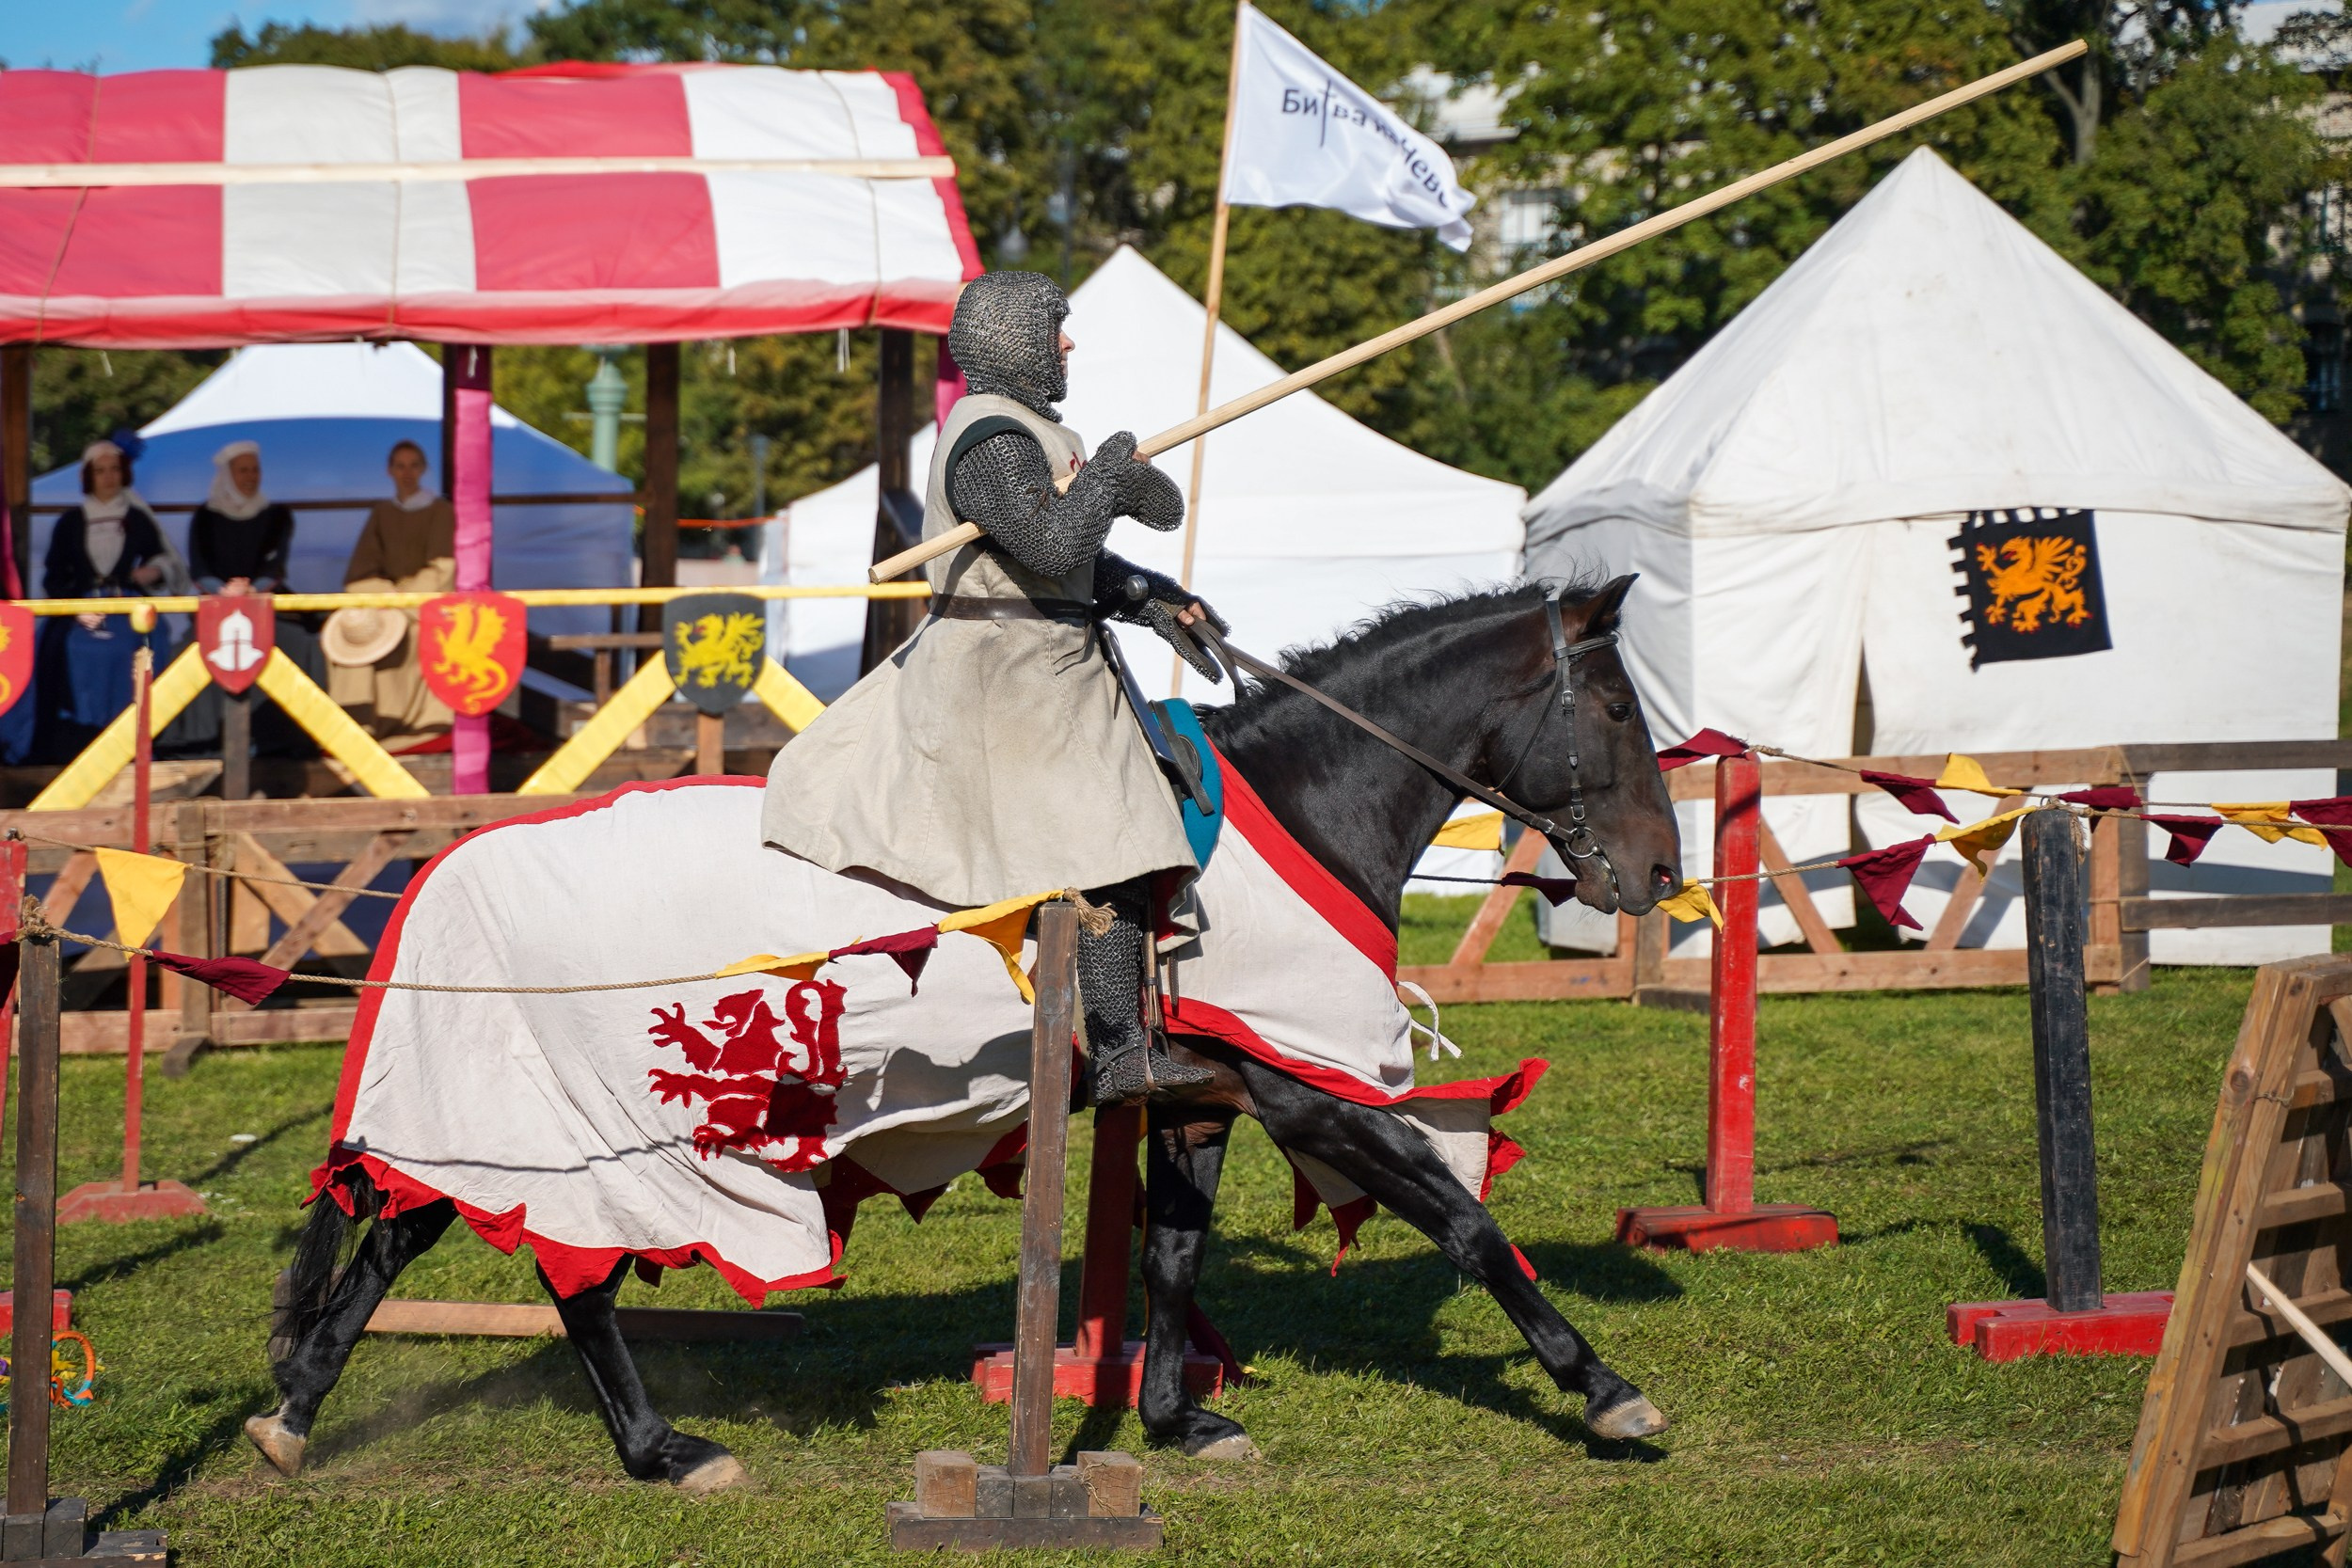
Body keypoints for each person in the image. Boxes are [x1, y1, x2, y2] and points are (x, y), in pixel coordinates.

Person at [763, 271, 1227, 1104]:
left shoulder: (1036, 435)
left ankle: (1130, 1046)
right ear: (1012, 335)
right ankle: (1121, 1054)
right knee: (1112, 836)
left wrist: (1147, 595)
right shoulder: (987, 438)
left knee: (1123, 827)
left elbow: (1079, 555)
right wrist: (1106, 479)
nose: (1068, 343)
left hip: (1049, 659)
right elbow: (1050, 542)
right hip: (1004, 670)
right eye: (1056, 327)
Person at [34, 439, 183, 759]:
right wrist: (75, 609)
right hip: (81, 606)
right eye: (100, 471)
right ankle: (81, 738)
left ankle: (135, 736)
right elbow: (53, 575)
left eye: (114, 469)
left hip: (129, 606)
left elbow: (161, 557)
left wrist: (153, 571)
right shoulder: (71, 521)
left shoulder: (137, 519)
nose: (108, 477)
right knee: (69, 649)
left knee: (145, 648)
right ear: (89, 476)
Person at [324, 439, 455, 741]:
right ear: (389, 471)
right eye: (400, 466)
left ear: (423, 470)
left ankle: (418, 722)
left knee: (419, 635)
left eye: (413, 466)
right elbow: (361, 570)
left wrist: (402, 600)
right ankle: (358, 723)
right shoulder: (382, 513)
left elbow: (442, 570)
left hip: (422, 605)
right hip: (384, 603)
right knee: (351, 631)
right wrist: (383, 596)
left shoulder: (440, 511)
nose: (407, 473)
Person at [188, 439, 294, 594]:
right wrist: (224, 591)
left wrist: (251, 590)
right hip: (216, 598)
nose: (251, 477)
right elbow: (199, 568)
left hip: (265, 597)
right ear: (227, 475)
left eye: (255, 470)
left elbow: (275, 565)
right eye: (243, 471)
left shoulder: (278, 516)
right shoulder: (205, 516)